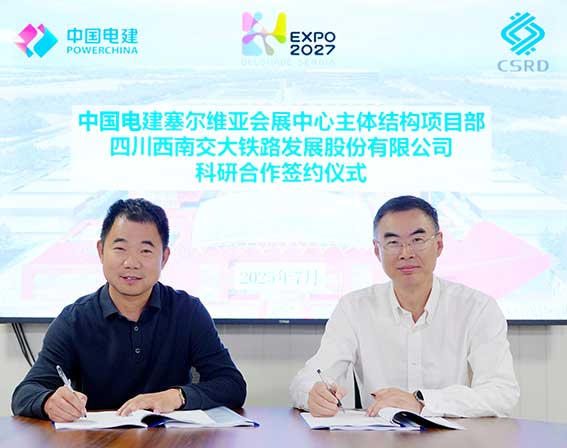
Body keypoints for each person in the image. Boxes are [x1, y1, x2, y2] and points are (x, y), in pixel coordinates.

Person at [12, 198, 246, 422]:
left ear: (164, 257)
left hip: (170, 438)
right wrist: (48, 402)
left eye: (145, 251)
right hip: (99, 440)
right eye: (120, 248)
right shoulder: (75, 320)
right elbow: (25, 393)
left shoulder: (188, 311)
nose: (131, 263)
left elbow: (232, 384)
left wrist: (177, 396)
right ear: (101, 251)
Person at [290, 195, 519, 418]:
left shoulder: (477, 308)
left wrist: (422, 403)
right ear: (377, 250)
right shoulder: (354, 307)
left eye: (417, 240)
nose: (406, 253)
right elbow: (308, 379)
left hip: (453, 437)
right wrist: (314, 394)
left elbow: (501, 393)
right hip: (378, 437)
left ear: (439, 244)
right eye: (393, 243)